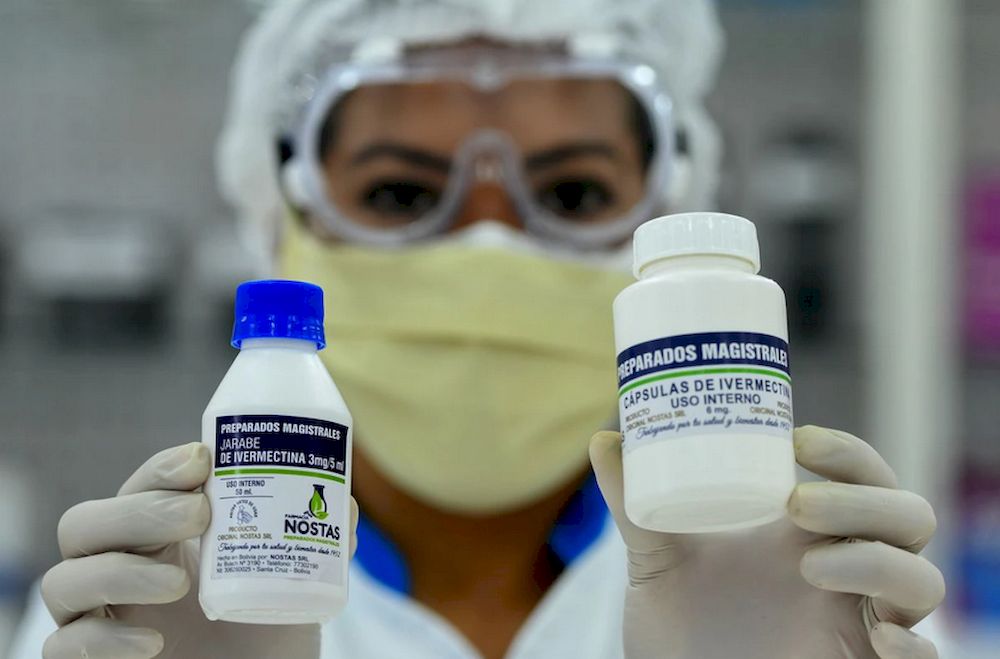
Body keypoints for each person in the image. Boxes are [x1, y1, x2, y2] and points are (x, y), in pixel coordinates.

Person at [11, 1, 946, 657]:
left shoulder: (801, 585)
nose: (488, 245)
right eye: (400, 193)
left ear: (665, 231)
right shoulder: (161, 596)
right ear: (281, 229)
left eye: (573, 193)